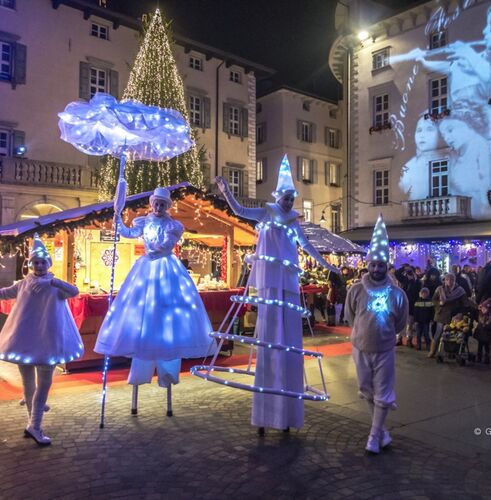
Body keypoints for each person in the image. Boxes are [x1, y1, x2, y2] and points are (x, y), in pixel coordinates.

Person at [215, 155, 337, 435]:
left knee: (290, 341)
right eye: (287, 197)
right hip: (270, 283)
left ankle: (286, 415)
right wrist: (226, 191)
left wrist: (327, 264)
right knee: (269, 339)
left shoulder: (293, 222)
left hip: (288, 285)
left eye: (292, 198)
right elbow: (239, 210)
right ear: (278, 196)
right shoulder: (266, 213)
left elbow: (307, 246)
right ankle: (267, 414)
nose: (289, 202)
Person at [95, 186, 214, 394]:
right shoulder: (144, 222)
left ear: (167, 206)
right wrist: (118, 220)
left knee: (167, 311)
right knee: (141, 309)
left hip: (165, 267)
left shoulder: (173, 226)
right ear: (152, 204)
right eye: (156, 203)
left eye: (162, 204)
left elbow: (165, 245)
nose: (158, 207)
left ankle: (167, 374)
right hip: (146, 269)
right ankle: (141, 368)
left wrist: (156, 247)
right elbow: (129, 233)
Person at [0, 235, 83, 445]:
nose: (39, 265)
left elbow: (74, 291)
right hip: (24, 341)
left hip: (47, 342)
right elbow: (5, 293)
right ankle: (34, 424)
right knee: (29, 383)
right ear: (31, 264)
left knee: (43, 384)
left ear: (49, 263)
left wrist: (52, 281)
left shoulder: (55, 285)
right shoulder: (23, 283)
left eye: (42, 262)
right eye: (35, 262)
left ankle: (33, 423)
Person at [345, 215, 408, 454]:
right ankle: (381, 432)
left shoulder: (397, 294)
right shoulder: (356, 290)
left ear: (386, 266)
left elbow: (401, 321)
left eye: (381, 265)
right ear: (368, 264)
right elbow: (351, 317)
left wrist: (386, 335)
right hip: (360, 348)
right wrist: (362, 333)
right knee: (366, 388)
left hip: (384, 350)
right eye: (373, 265)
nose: (376, 269)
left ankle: (373, 436)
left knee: (383, 391)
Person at [429, 273, 474, 358]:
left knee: (454, 334)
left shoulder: (460, 290)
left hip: (454, 316)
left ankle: (452, 352)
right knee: (438, 334)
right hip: (441, 315)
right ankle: (432, 351)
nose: (449, 281)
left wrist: (461, 313)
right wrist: (439, 304)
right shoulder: (440, 289)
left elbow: (465, 303)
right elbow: (434, 300)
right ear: (445, 280)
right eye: (447, 280)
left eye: (452, 280)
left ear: (454, 281)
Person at [399, 115, 440, 200]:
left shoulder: (452, 160)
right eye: (419, 130)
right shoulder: (409, 166)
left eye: (429, 129)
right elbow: (401, 190)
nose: (422, 135)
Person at [474, 297, 491, 364]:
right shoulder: (481, 314)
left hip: (486, 331)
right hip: (481, 331)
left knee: (486, 345)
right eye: (482, 308)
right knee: (480, 345)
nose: (483, 310)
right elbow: (479, 319)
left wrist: (486, 323)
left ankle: (486, 358)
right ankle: (479, 357)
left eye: (485, 308)